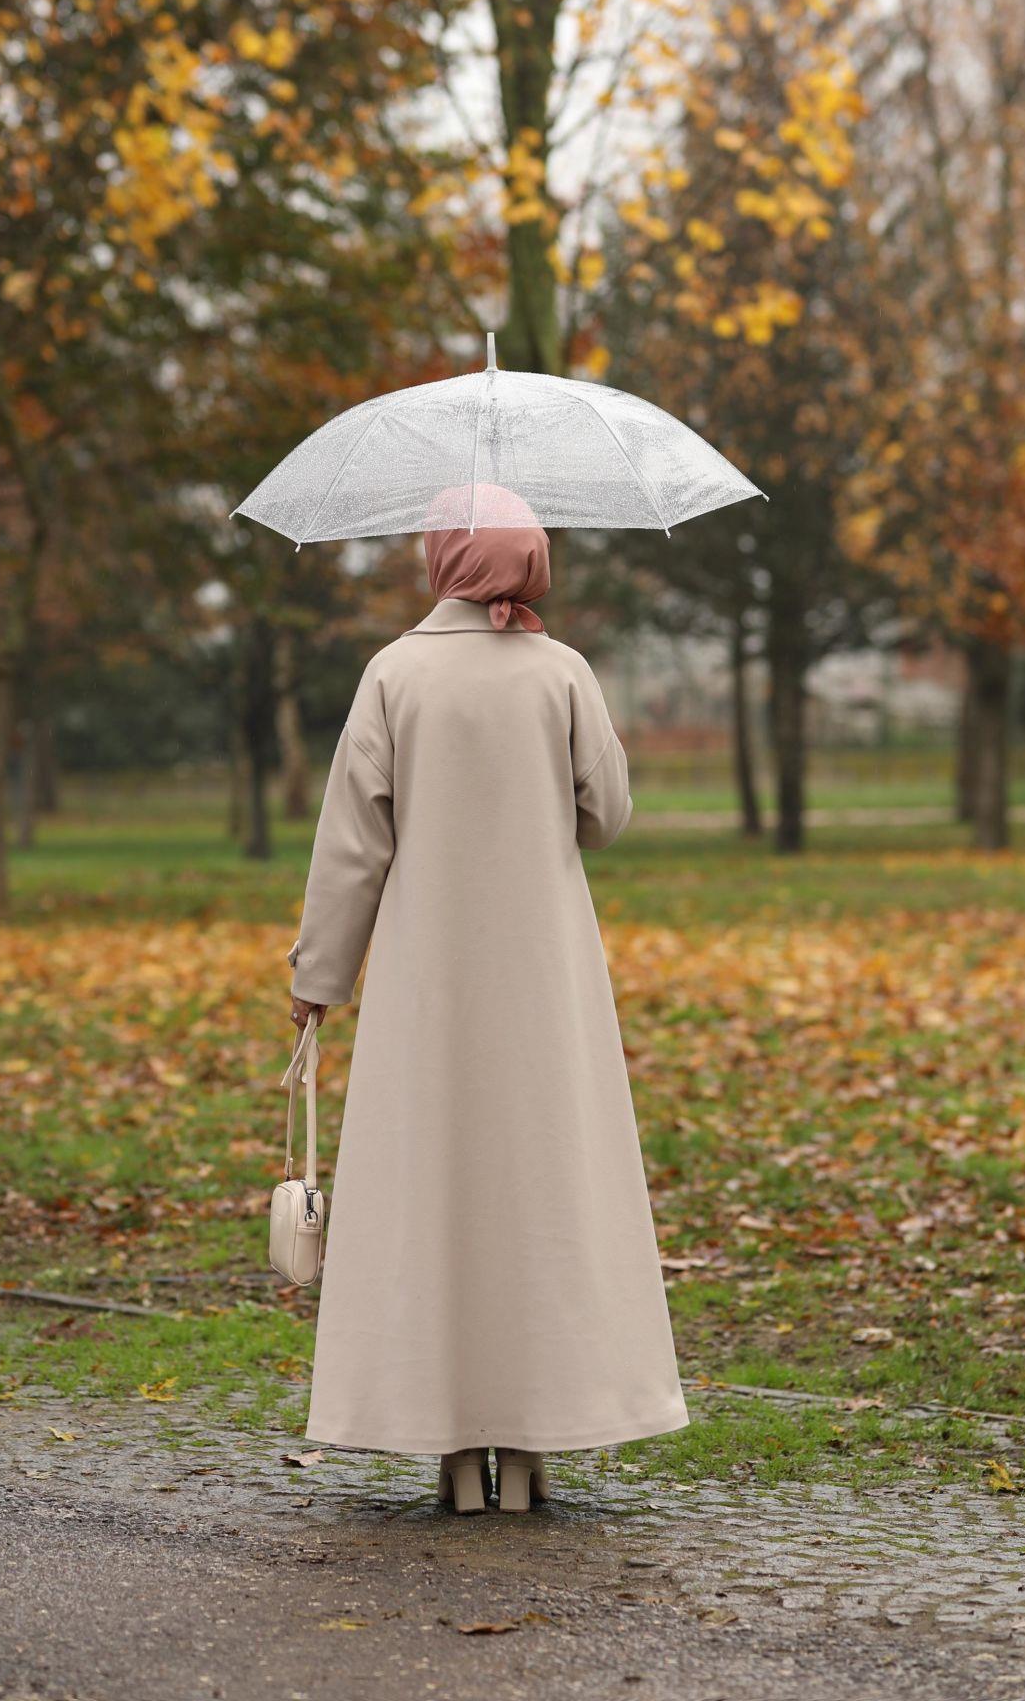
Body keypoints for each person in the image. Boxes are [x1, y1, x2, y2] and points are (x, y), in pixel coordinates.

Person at [287, 486, 687, 1514]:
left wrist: (316, 983)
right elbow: (607, 816)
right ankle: (536, 1446)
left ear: (439, 561)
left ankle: (454, 1460)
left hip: (428, 983)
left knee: (435, 1193)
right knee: (538, 1194)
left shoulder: (392, 675)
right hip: (544, 984)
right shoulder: (561, 675)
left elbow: (351, 847)